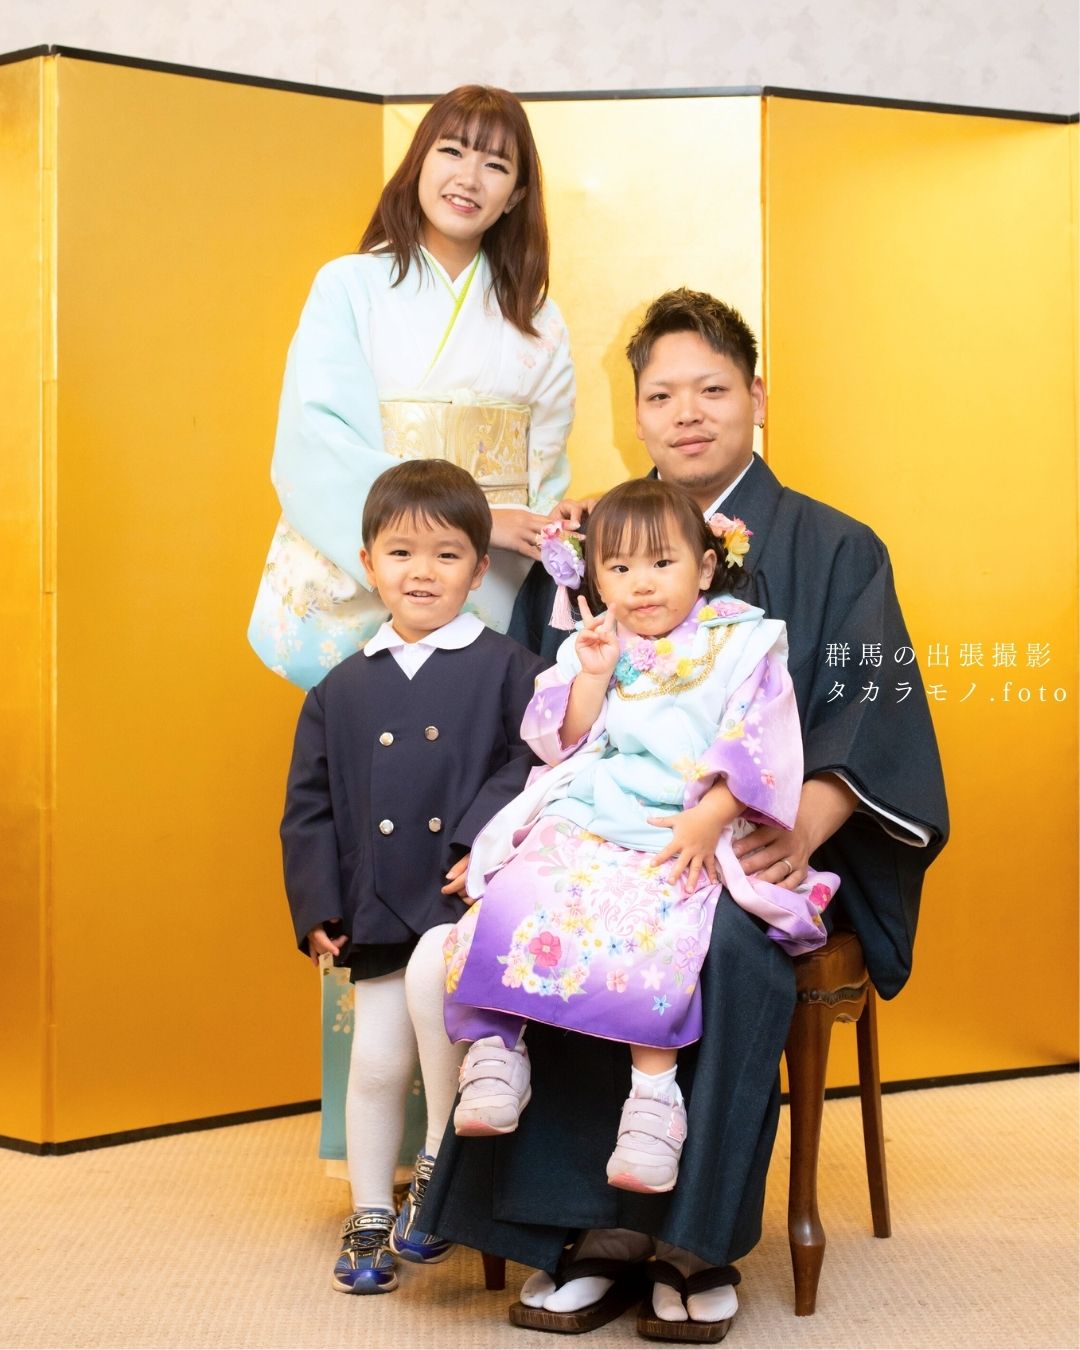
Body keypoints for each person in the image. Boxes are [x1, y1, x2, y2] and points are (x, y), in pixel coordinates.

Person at [418, 290, 949, 1340]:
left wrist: (800, 826)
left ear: (757, 396)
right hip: (611, 824)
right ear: (637, 414)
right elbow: (546, 713)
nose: (687, 414)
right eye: (661, 396)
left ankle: (693, 1244)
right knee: (553, 909)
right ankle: (585, 1234)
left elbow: (873, 711)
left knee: (726, 946)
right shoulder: (597, 543)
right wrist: (498, 841)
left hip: (758, 840)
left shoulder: (838, 548)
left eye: (712, 389)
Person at [441, 478, 838, 1199]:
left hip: (685, 817)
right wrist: (592, 677)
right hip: (601, 804)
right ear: (596, 580)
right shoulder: (597, 641)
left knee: (658, 926)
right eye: (619, 568)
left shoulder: (742, 641)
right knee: (517, 891)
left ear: (706, 567)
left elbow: (763, 746)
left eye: (662, 562)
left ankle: (654, 1102)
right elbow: (560, 740)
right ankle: (497, 1051)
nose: (642, 584)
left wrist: (710, 818)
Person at [280, 459, 545, 1294]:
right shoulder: (339, 688)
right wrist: (317, 906)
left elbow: (533, 764)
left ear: (479, 567)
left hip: (461, 899)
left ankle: (434, 1179)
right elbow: (308, 807)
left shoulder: (510, 667)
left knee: (447, 1054)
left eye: (446, 554)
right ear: (369, 563)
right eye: (400, 553)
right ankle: (369, 1211)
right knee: (375, 1063)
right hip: (375, 902)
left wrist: (479, 840)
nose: (421, 572)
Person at [249, 84, 576, 691]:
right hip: (377, 569)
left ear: (516, 195)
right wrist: (473, 521)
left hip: (485, 578)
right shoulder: (348, 287)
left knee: (483, 736)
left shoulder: (540, 320)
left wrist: (526, 528)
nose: (469, 178)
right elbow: (317, 442)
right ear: (419, 161)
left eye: (496, 165)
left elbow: (544, 467)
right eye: (452, 151)